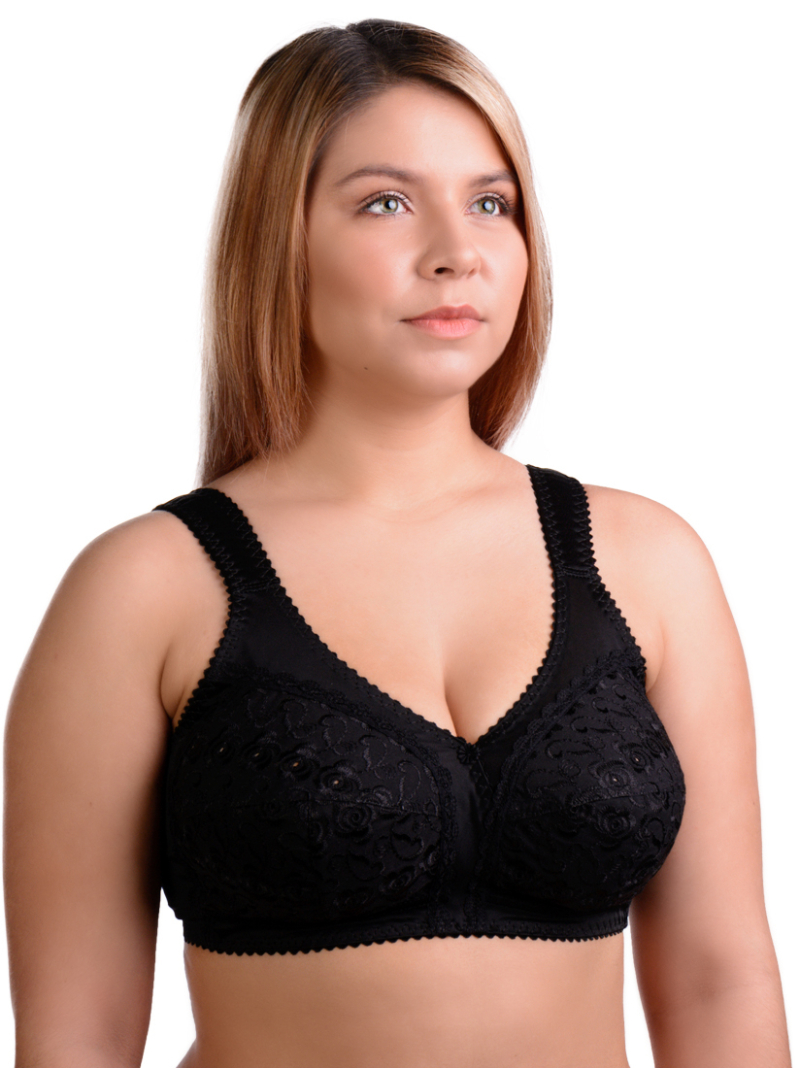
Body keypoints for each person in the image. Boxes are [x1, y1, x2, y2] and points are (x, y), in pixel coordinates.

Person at [3, 17, 791, 1068]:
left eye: (491, 203)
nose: (458, 252)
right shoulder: (147, 588)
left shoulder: (646, 563)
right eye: (385, 202)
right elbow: (77, 1040)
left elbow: (719, 982)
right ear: (279, 238)